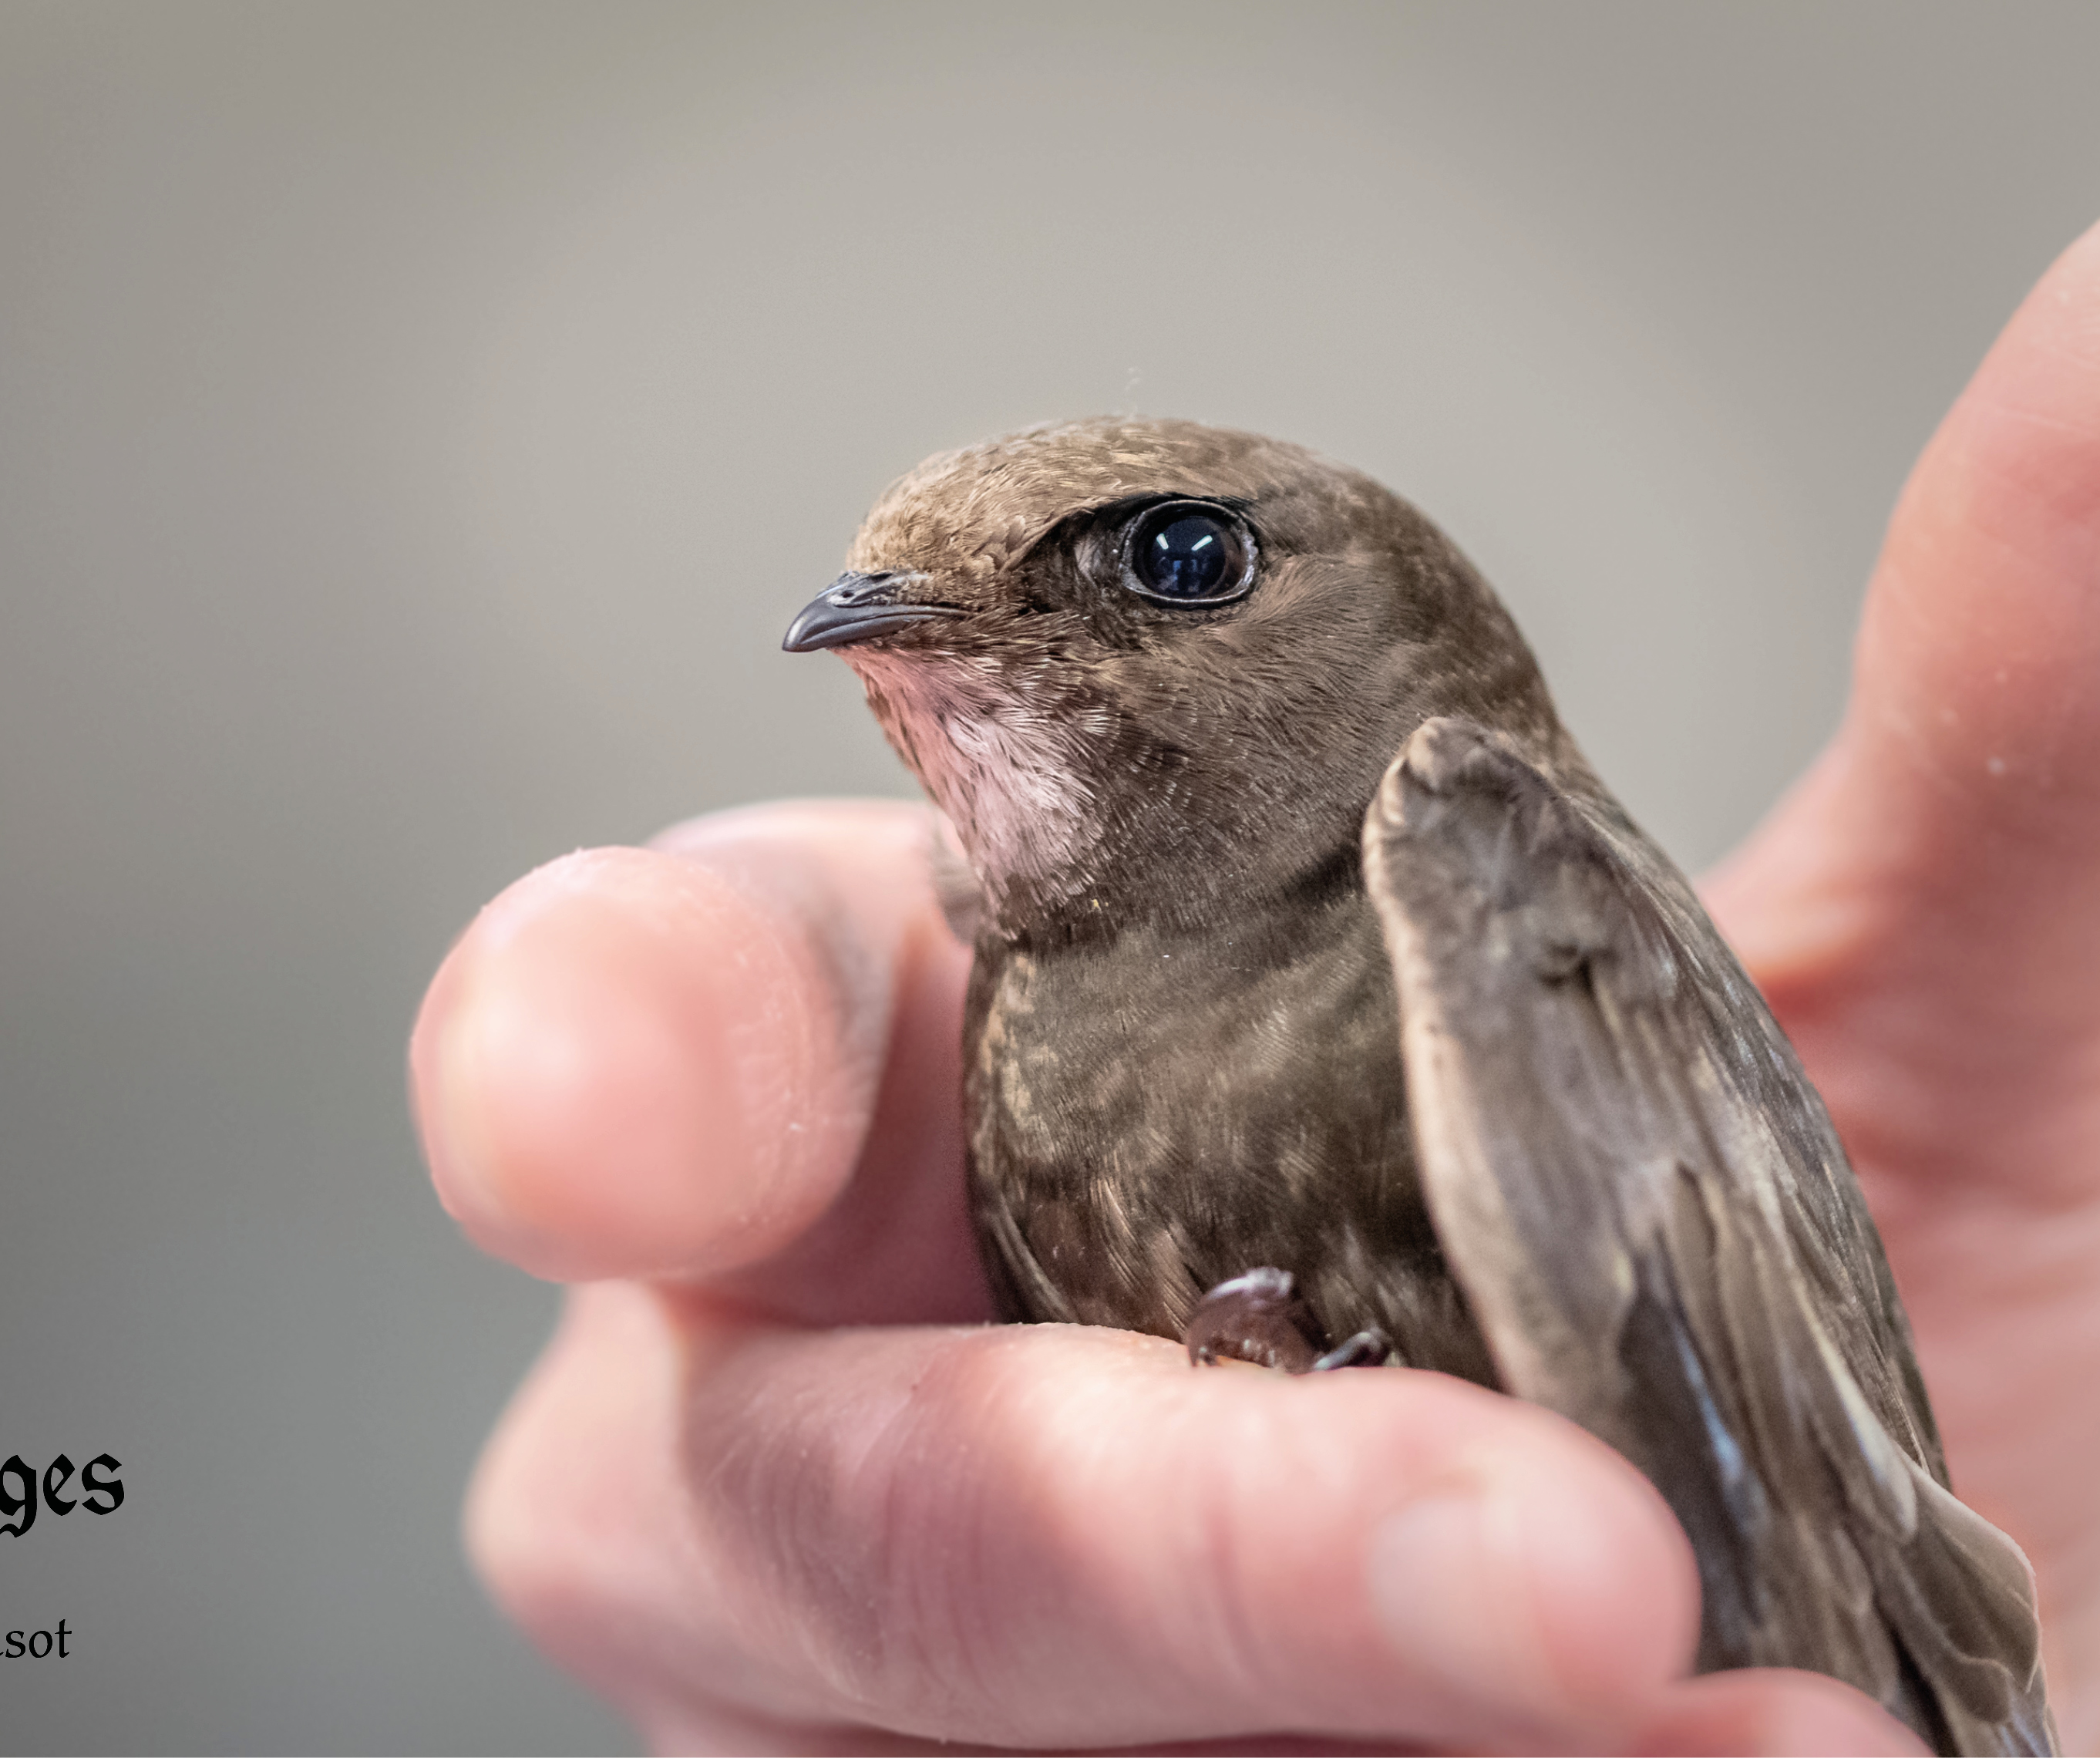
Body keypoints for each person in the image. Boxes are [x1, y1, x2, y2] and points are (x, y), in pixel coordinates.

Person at [410, 221, 2100, 1756]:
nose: (922, 627)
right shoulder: (1008, 1007)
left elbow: (1792, 1535)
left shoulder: (1485, 857)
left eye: (1177, 565)